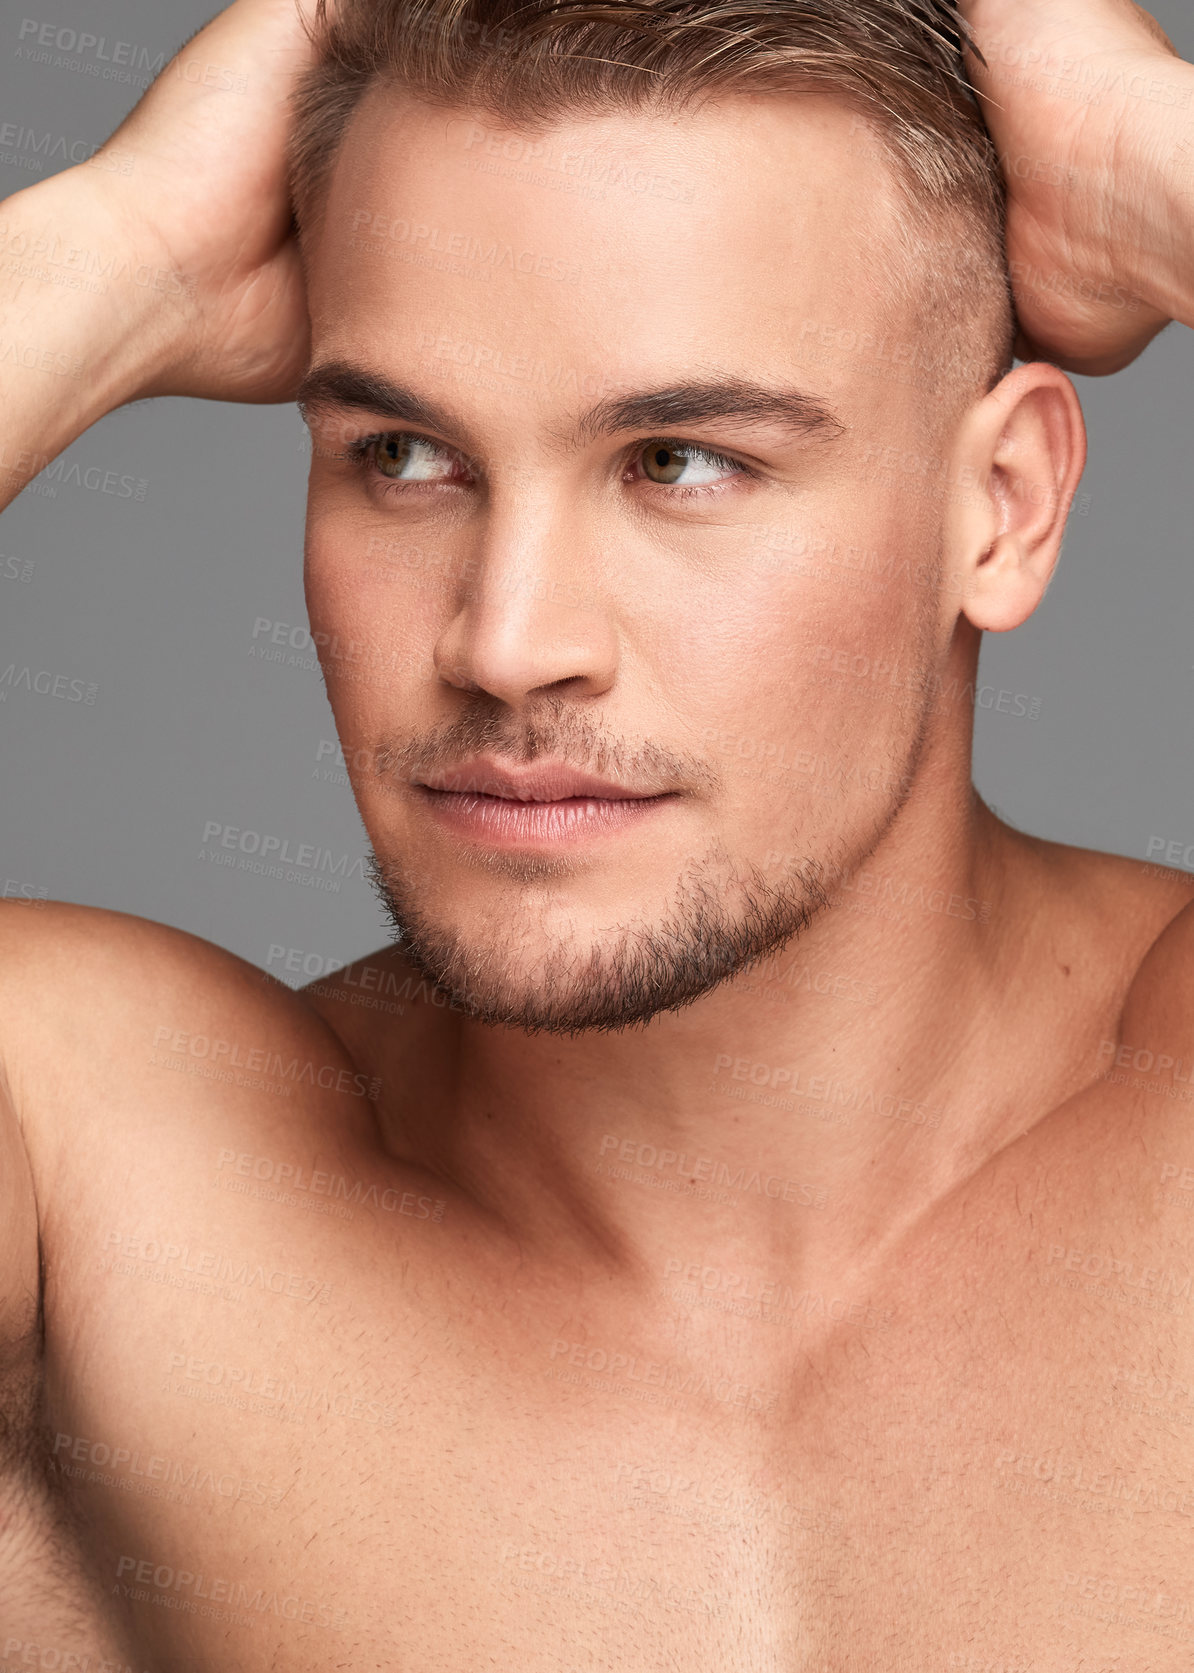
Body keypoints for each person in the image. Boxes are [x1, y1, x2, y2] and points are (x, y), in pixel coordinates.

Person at [1, 0, 1192, 1662]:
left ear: (997, 508)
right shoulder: (110, 1189)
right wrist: (120, 259)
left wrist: (1152, 163)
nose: (506, 640)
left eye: (680, 461)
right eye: (405, 456)